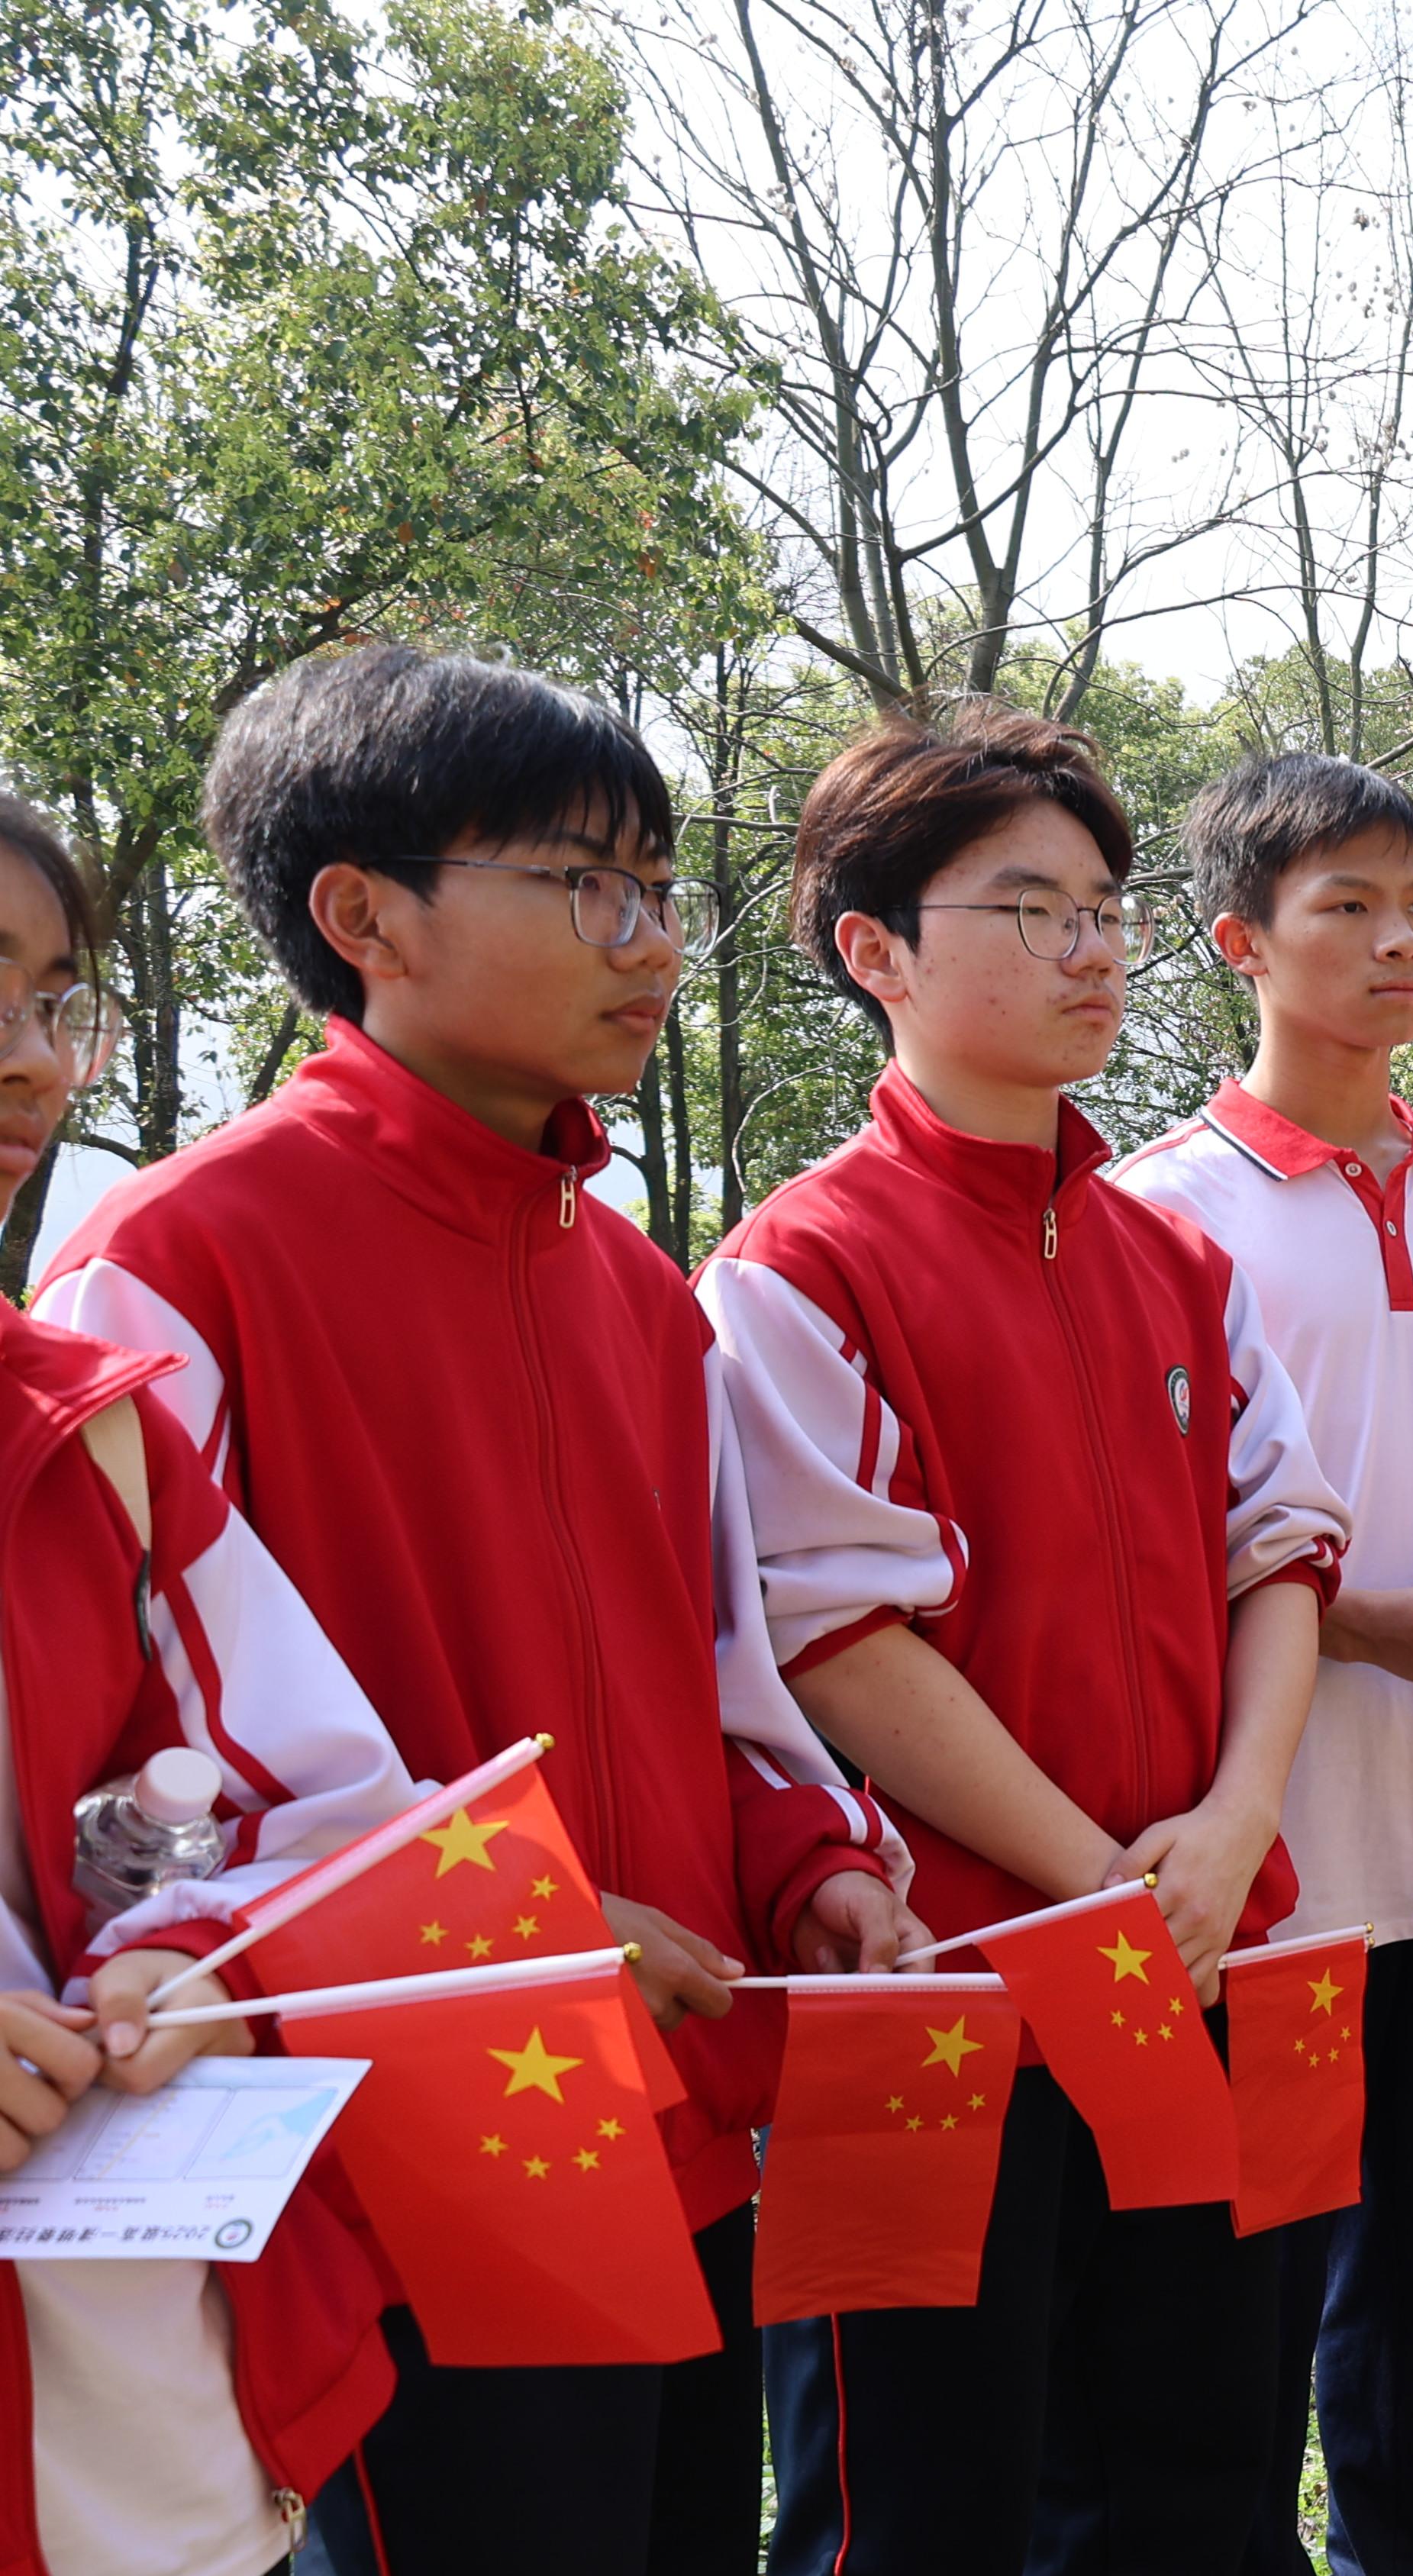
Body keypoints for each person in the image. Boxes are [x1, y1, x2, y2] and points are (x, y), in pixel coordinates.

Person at [34, 649, 918, 2576]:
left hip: (674, 2105)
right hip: (404, 2150)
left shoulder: (637, 1288)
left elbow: (720, 1669)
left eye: (663, 889)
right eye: (584, 883)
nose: (652, 940)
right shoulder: (172, 1265)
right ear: (364, 916)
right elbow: (118, 1793)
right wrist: (507, 1923)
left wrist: (802, 1866)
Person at [704, 700, 1350, 2576]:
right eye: (1030, 907)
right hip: (935, 1987)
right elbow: (835, 1633)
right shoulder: (798, 1267)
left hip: (1215, 1948)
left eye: (1106, 906)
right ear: (876, 949)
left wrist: (1231, 1828)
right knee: (921, 2499)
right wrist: (1105, 1891)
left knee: (1209, 2466)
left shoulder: (1173, 1254)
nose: (1093, 949)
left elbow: (1279, 1553)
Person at [1107, 753, 1413, 2576]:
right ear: (1241, 940)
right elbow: (1159, 1543)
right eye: (1349, 907)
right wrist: (1362, 1614)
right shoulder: (1166, 1210)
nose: (1401, 942)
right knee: (1247, 2294)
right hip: (1268, 1856)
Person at [0, 791, 428, 2576]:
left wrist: (163, 1943)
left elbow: (233, 1795)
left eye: (55, 1000)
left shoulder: (89, 1445)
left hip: (112, 2421)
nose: (31, 1066)